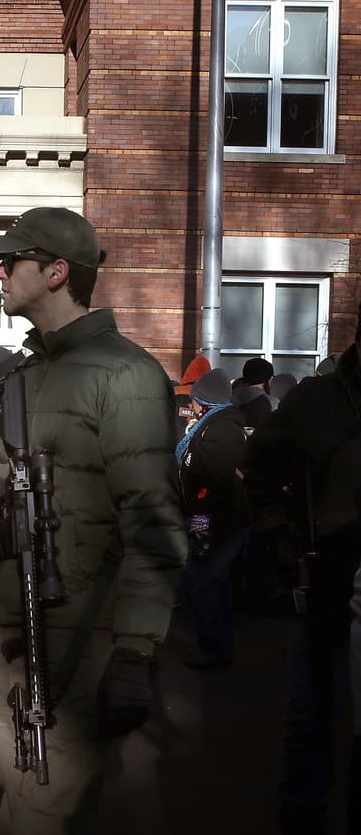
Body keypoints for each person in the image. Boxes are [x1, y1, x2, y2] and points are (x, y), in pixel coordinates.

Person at [0, 207, 187, 834]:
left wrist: (134, 653)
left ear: (56, 273)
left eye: (13, 260)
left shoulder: (125, 376)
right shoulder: (25, 375)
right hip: (13, 634)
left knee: (42, 815)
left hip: (79, 643)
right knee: (17, 799)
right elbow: (5, 508)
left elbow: (153, 525)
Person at [243, 313, 361, 835]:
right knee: (309, 721)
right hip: (323, 587)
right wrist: (284, 542)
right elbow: (259, 468)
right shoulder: (316, 400)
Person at [176, 368, 248, 670]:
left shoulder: (219, 431)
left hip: (216, 519)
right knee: (213, 581)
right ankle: (217, 645)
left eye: (193, 400)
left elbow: (213, 483)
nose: (190, 406)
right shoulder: (213, 425)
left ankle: (215, 649)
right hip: (215, 516)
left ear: (204, 401)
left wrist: (200, 525)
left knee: (202, 579)